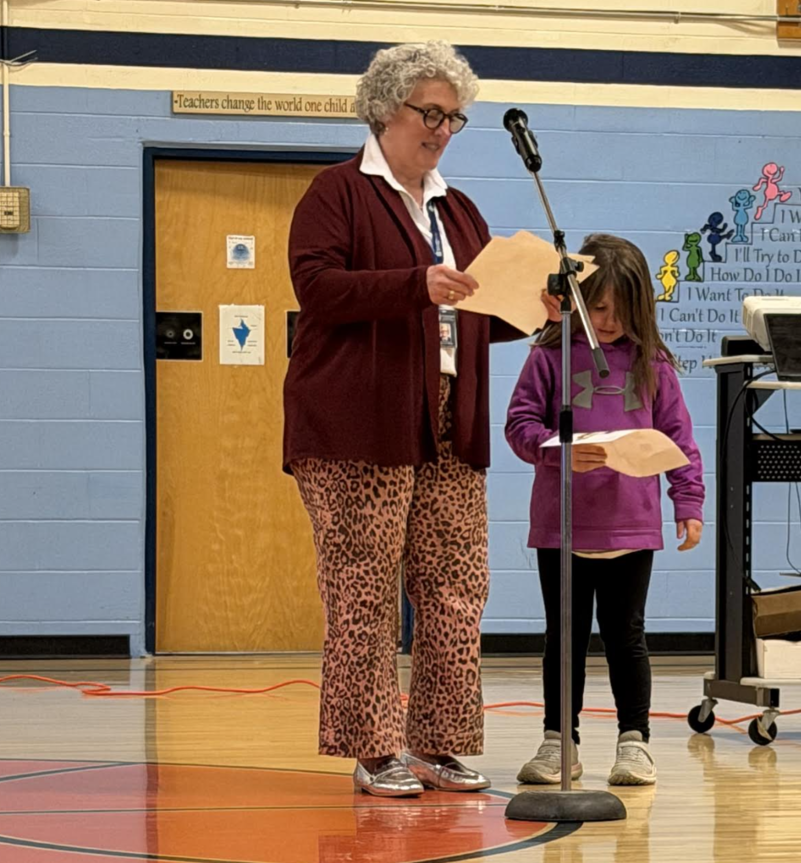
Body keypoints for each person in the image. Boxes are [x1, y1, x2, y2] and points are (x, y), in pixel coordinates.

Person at [284, 41, 553, 797]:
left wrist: (533, 311)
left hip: (447, 420)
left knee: (456, 584)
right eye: (428, 113)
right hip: (355, 424)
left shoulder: (457, 209)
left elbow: (471, 311)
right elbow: (320, 287)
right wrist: (415, 284)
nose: (441, 129)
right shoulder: (337, 192)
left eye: (453, 117)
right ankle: (375, 748)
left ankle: (439, 742)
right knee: (364, 588)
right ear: (383, 110)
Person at [504, 234, 705, 786]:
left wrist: (687, 501)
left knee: (626, 637)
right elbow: (520, 426)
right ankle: (557, 743)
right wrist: (559, 451)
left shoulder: (653, 364)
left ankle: (634, 743)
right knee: (562, 638)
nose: (608, 320)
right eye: (596, 307)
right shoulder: (548, 355)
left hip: (631, 527)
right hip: (562, 527)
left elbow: (679, 439)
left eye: (620, 310)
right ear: (574, 299)